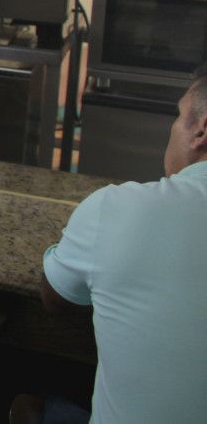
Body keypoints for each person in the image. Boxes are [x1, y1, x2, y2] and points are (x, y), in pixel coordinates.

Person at [40, 68, 207, 423]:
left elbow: (55, 298)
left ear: (201, 130)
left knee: (21, 387)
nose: (174, 127)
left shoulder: (117, 207)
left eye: (178, 116)